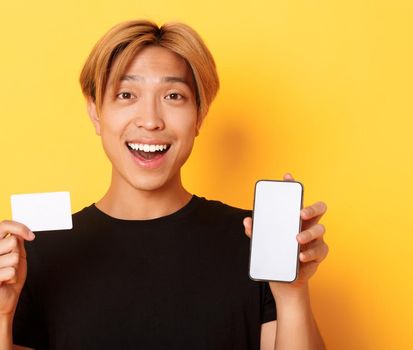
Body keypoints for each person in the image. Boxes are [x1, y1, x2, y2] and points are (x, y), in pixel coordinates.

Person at [0, 19, 329, 350]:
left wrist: (292, 293)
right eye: (126, 94)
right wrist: (1, 316)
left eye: (173, 96)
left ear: (199, 115)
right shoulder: (36, 255)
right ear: (95, 112)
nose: (151, 120)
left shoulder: (255, 242)